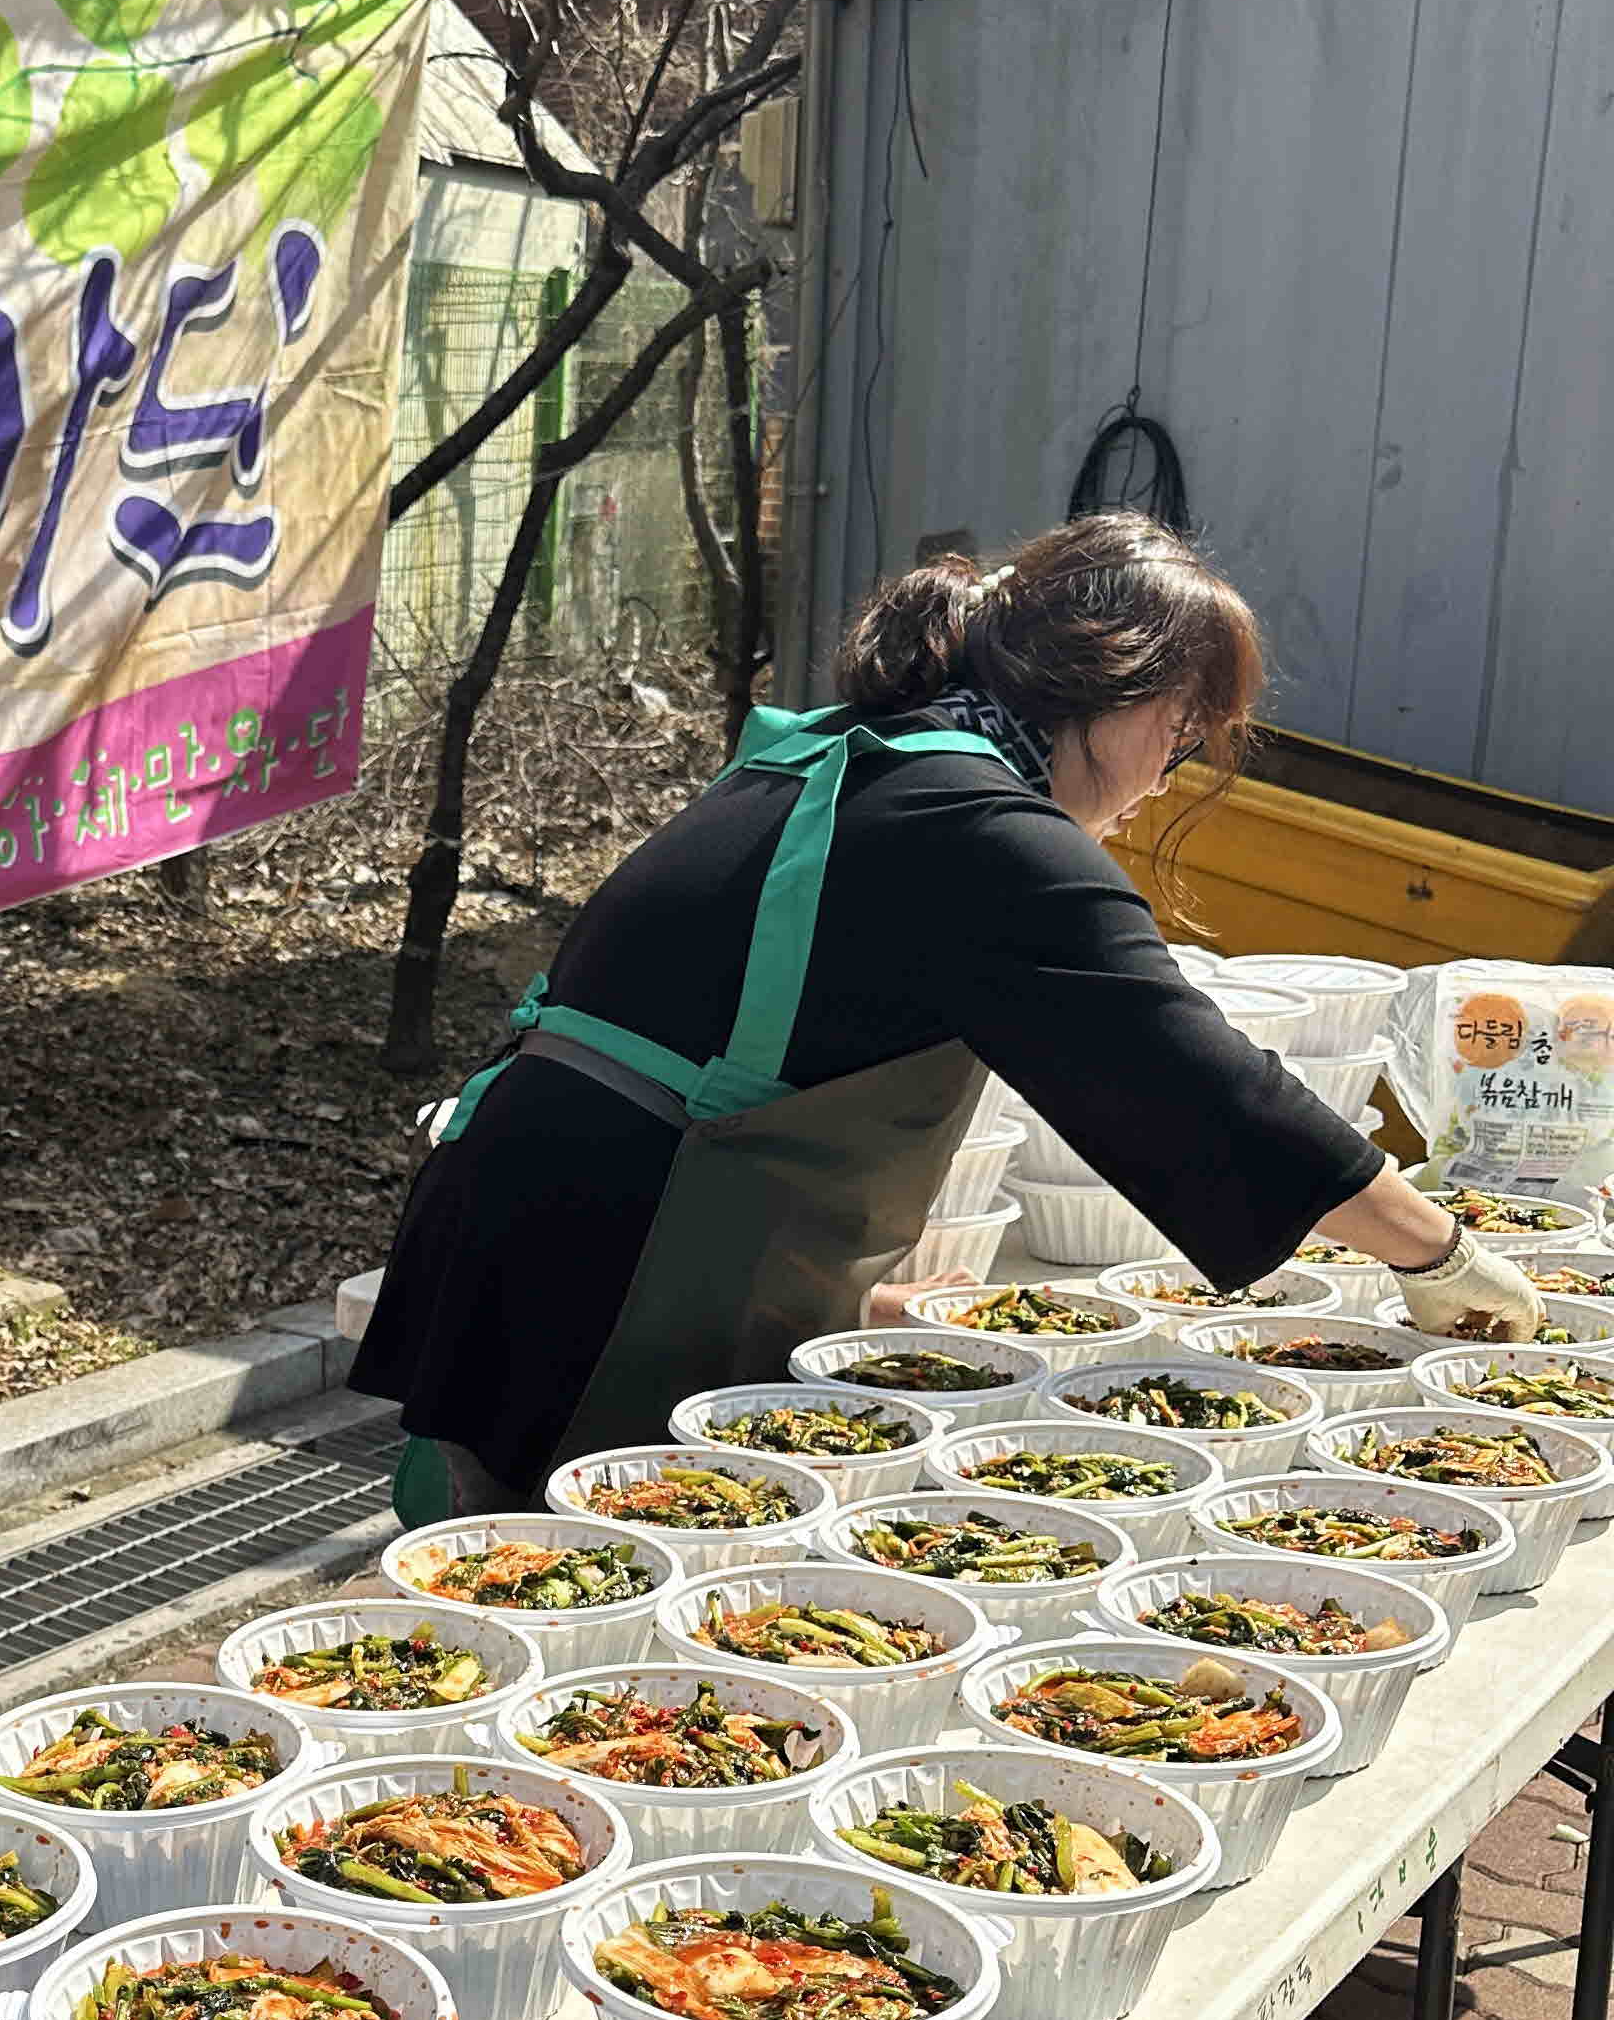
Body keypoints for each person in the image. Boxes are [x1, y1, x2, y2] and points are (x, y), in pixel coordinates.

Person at [355, 515, 1539, 1519]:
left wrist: (857, 1306)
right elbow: (1202, 1089)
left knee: (511, 1547)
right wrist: (1441, 1253)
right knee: (567, 1604)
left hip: (539, 1209)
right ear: (1109, 689)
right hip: (608, 1265)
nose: (1169, 775)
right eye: (1177, 733)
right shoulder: (986, 834)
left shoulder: (847, 761)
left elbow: (748, 1039)